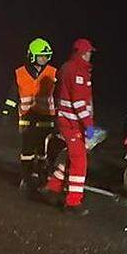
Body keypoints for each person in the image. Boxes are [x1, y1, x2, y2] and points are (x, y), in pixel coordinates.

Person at [42, 38, 97, 215]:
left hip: (69, 121)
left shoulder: (69, 68)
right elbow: (79, 103)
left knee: (71, 158)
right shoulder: (77, 71)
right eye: (87, 52)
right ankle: (73, 202)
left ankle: (53, 188)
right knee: (80, 161)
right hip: (72, 123)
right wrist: (88, 125)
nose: (89, 56)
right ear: (80, 53)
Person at [3, 38, 57, 190]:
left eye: (46, 56)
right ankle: (25, 178)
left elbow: (58, 95)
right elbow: (13, 94)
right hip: (27, 118)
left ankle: (42, 177)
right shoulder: (20, 73)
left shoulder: (53, 72)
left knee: (43, 151)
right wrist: (6, 112)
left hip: (46, 118)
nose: (44, 59)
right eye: (41, 56)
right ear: (32, 55)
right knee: (26, 150)